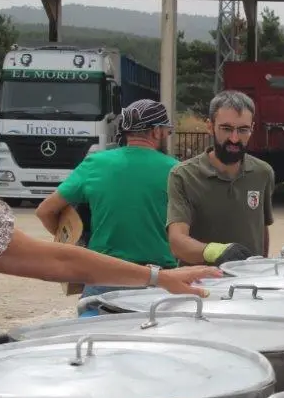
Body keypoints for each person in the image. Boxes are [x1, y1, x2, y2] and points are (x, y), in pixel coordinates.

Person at [0, 78, 221, 354]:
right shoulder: (175, 169)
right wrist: (160, 276)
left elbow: (50, 224)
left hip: (102, 288)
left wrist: (77, 241)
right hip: (153, 283)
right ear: (158, 132)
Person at [35, 99, 179, 313]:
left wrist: (73, 243)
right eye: (167, 131)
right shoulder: (176, 171)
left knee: (95, 344)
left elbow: (45, 211)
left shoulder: (95, 164)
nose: (167, 135)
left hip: (101, 276)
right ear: (157, 131)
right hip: (158, 283)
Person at [167, 90, 275, 266]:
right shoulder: (183, 176)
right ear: (210, 127)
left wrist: (260, 269)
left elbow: (261, 230)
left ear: (252, 129)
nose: (234, 138)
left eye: (243, 130)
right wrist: (216, 252)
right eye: (226, 129)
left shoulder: (262, 173)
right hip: (201, 285)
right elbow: (177, 243)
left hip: (248, 285)